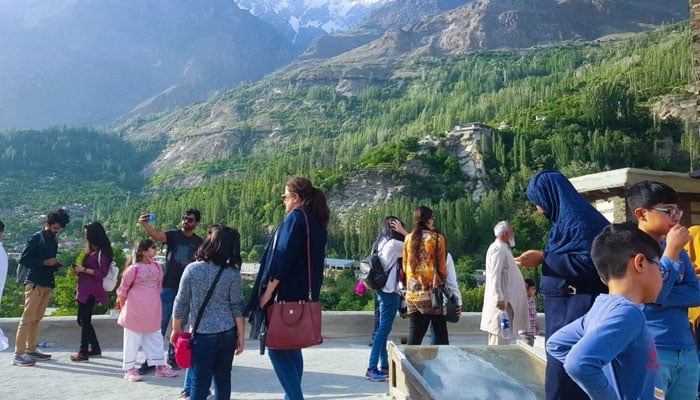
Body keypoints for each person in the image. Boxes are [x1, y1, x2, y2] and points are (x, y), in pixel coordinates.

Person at [516, 170, 609, 399]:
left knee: (565, 379)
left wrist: (543, 257)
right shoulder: (566, 222)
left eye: (537, 202)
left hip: (577, 309)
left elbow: (593, 263)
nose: (538, 208)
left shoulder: (580, 222)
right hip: (565, 310)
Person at [547, 223, 664, 400]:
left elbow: (556, 344)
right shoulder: (628, 314)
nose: (662, 276)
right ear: (640, 263)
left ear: (603, 278)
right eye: (660, 268)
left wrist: (603, 381)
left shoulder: (600, 308)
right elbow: (578, 363)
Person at [245, 176, 330, 400]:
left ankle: (294, 397)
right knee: (292, 346)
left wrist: (266, 293)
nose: (283, 201)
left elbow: (281, 259)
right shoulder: (316, 221)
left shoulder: (295, 218)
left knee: (276, 346)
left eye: (285, 196)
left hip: (284, 293)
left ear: (296, 197)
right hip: (305, 294)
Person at [627, 180, 700, 399]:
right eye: (667, 211)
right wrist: (671, 253)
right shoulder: (631, 249)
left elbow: (696, 293)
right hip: (652, 347)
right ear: (642, 214)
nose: (677, 216)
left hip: (686, 349)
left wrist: (659, 295)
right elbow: (648, 293)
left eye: (677, 210)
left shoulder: (679, 251)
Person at [171, 224, 245, 400]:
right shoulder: (233, 274)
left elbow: (181, 301)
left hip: (202, 335)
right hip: (227, 333)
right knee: (223, 381)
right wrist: (241, 335)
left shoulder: (192, 269)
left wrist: (176, 329)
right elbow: (237, 306)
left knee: (199, 382)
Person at [138, 208, 203, 372]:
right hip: (169, 286)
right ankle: (152, 359)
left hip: (188, 289)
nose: (185, 221)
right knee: (160, 324)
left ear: (196, 223)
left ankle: (174, 357)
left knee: (181, 325)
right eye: (184, 218)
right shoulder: (174, 235)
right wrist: (144, 224)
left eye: (189, 219)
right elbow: (158, 236)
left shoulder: (199, 242)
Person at [13, 208, 70, 367]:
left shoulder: (54, 240)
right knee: (27, 319)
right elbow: (24, 259)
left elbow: (46, 261)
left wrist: (55, 265)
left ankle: (30, 349)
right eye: (55, 228)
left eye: (59, 229)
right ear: (47, 224)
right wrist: (44, 262)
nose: (57, 231)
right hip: (34, 283)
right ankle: (18, 354)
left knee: (37, 319)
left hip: (47, 282)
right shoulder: (37, 238)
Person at [117, 239, 178, 382]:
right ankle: (129, 369)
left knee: (155, 336)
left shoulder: (157, 267)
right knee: (132, 338)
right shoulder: (133, 269)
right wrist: (123, 307)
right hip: (134, 309)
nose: (155, 249)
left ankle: (160, 366)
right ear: (144, 252)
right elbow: (123, 290)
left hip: (152, 308)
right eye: (152, 247)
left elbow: (158, 286)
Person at [365, 216, 406, 382]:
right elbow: (418, 246)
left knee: (383, 329)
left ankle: (384, 366)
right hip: (390, 292)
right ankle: (371, 368)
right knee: (382, 331)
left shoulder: (379, 242)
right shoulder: (395, 245)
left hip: (380, 290)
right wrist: (404, 232)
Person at [403, 205, 448, 345]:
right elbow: (441, 268)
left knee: (414, 336)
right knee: (441, 337)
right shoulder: (437, 238)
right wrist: (444, 280)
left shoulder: (408, 239)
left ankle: (408, 365)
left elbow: (405, 267)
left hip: (413, 294)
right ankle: (441, 366)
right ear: (428, 220)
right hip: (431, 294)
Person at [69, 222, 112, 362]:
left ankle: (83, 352)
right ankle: (94, 347)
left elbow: (102, 272)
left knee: (85, 320)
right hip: (84, 288)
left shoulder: (102, 252)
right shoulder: (91, 250)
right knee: (82, 320)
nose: (85, 236)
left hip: (91, 290)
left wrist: (83, 270)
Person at [480, 221, 529, 345]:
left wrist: (516, 261)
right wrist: (499, 298)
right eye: (512, 231)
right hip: (502, 303)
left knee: (504, 337)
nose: (514, 234)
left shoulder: (503, 248)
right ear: (506, 234)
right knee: (499, 340)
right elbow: (494, 274)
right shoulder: (499, 248)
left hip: (507, 302)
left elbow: (505, 267)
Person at [518, 278, 540, 347]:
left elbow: (534, 315)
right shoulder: (523, 301)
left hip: (531, 332)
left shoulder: (532, 300)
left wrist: (537, 325)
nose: (535, 291)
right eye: (532, 289)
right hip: (525, 332)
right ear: (526, 290)